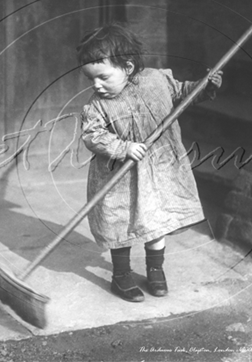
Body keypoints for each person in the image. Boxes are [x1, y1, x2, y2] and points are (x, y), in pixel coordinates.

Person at [78, 23, 223, 303]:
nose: (96, 85)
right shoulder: (95, 105)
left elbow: (184, 93)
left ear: (128, 67)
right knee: (120, 225)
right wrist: (123, 147)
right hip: (118, 177)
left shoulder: (158, 80)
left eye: (103, 77)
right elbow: (92, 135)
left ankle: (155, 270)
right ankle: (121, 276)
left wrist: (204, 87)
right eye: (90, 79)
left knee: (156, 221)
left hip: (158, 172)